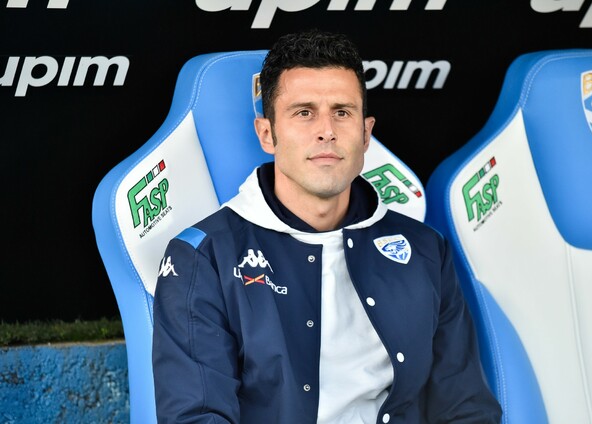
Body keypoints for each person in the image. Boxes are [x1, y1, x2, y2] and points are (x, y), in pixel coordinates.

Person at [152, 29, 502, 423]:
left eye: (342, 112)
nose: (327, 131)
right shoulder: (203, 256)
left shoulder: (424, 249)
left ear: (365, 134)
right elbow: (196, 416)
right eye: (304, 112)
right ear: (267, 134)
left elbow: (465, 407)